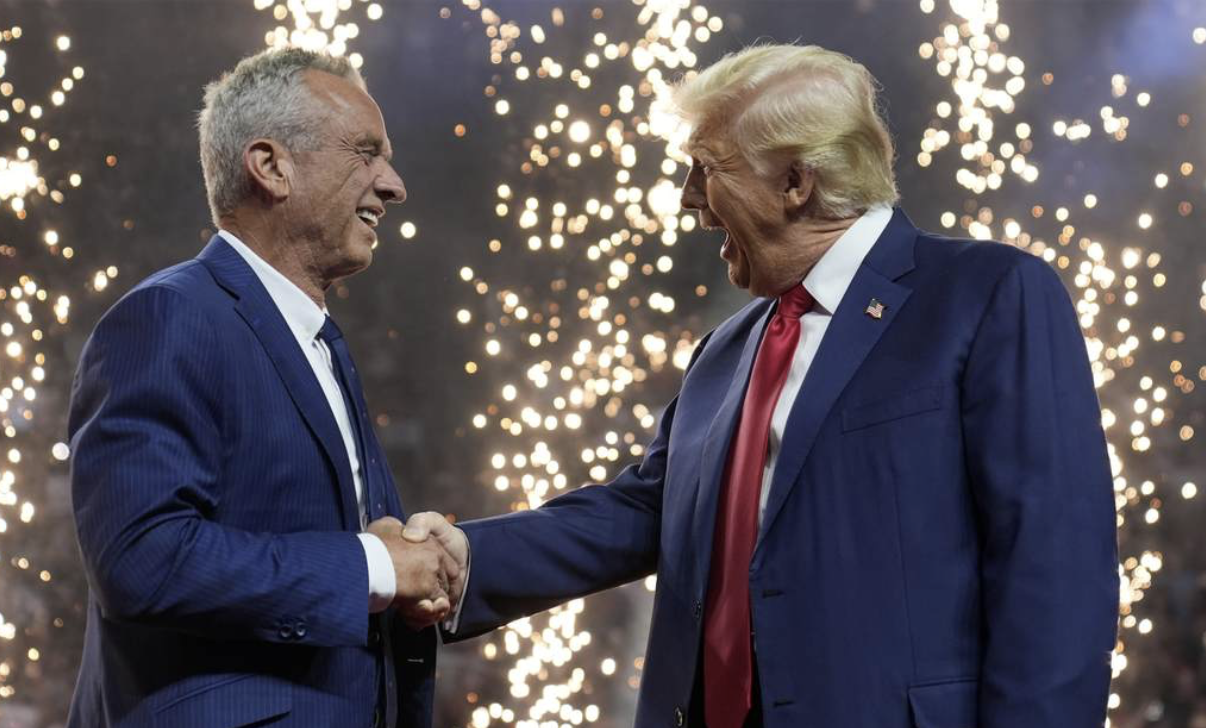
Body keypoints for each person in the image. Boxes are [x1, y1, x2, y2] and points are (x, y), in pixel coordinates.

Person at [405, 44, 1119, 727]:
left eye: (705, 168)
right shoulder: (728, 347)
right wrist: (462, 557)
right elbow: (645, 511)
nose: (689, 199)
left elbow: (1056, 576)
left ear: (795, 182)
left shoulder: (985, 295)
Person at [67, 48, 457, 728]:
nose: (393, 185)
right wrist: (372, 564)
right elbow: (142, 559)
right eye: (366, 153)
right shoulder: (170, 316)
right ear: (271, 166)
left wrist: (399, 564)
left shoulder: (321, 347)